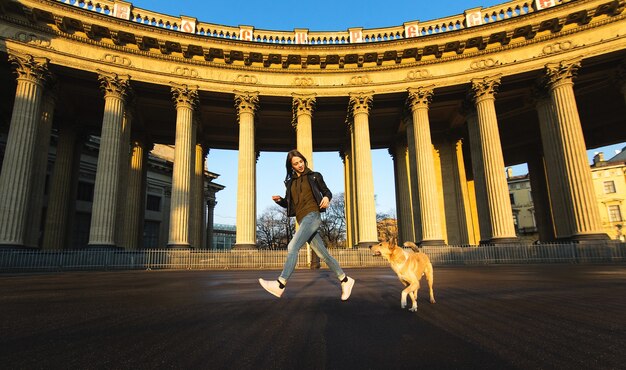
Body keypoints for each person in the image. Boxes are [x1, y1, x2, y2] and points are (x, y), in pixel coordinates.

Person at [258, 149, 355, 300]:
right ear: (291, 166)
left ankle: (280, 284)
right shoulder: (290, 183)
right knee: (324, 254)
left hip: (313, 216)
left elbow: (327, 191)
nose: (299, 165)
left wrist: (327, 198)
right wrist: (280, 201)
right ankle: (345, 280)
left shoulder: (315, 176)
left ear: (304, 161)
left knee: (292, 246)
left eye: (301, 161)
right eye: (296, 164)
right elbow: (290, 204)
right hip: (302, 220)